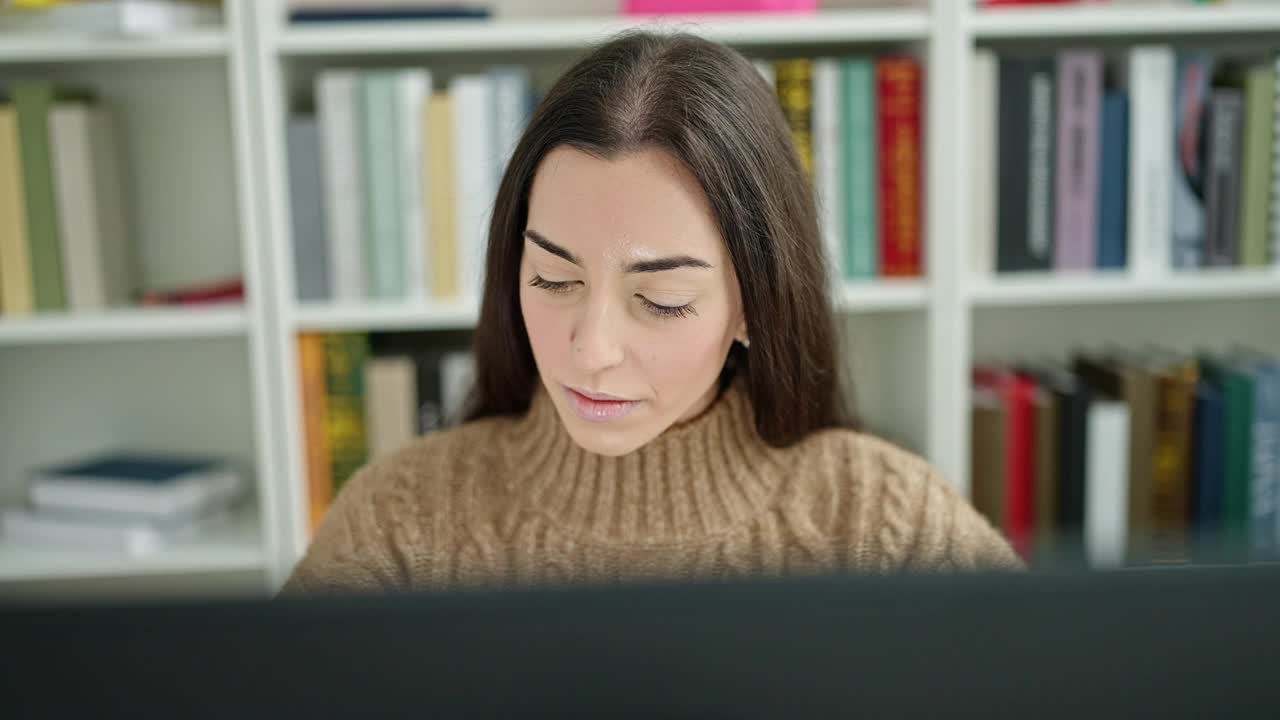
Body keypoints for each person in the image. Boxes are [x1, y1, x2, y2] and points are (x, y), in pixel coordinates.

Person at [283, 30, 1019, 594]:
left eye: (660, 301)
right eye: (552, 278)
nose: (591, 347)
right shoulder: (397, 524)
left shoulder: (884, 523)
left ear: (753, 307)